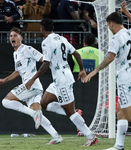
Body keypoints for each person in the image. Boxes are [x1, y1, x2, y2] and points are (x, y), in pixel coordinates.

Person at [25, 18, 98, 147]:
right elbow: (76, 54)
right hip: (59, 79)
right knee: (44, 103)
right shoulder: (62, 38)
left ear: (42, 28)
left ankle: (91, 136)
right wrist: (81, 69)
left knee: (70, 113)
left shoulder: (47, 42)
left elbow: (46, 64)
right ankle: (75, 112)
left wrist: (33, 78)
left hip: (62, 80)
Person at [0, 27, 63, 145]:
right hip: (33, 87)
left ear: (21, 38)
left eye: (15, 35)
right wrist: (5, 80)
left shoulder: (27, 49)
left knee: (5, 101)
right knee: (37, 112)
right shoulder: (15, 53)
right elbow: (18, 71)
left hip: (31, 85)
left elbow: (44, 59)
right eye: (10, 36)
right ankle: (56, 136)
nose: (12, 38)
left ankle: (35, 113)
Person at [83, 7, 131, 150]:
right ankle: (118, 145)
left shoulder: (116, 38)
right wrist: (127, 13)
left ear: (110, 23)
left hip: (125, 78)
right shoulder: (129, 32)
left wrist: (94, 71)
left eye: (107, 25)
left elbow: (110, 57)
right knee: (120, 111)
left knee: (128, 114)